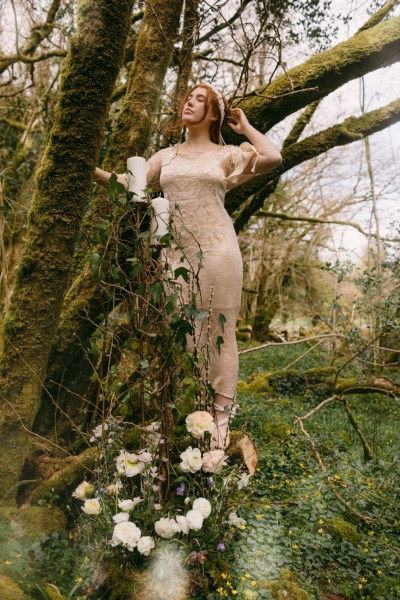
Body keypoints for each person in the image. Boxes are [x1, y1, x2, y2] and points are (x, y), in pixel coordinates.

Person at [94, 83, 282, 449]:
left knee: (220, 333)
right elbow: (126, 184)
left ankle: (222, 421)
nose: (189, 103)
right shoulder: (166, 156)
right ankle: (190, 412)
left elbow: (273, 158)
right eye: (188, 97)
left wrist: (245, 130)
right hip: (174, 254)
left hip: (219, 250)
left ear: (214, 114)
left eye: (200, 100)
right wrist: (90, 169)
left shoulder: (229, 153)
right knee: (182, 331)